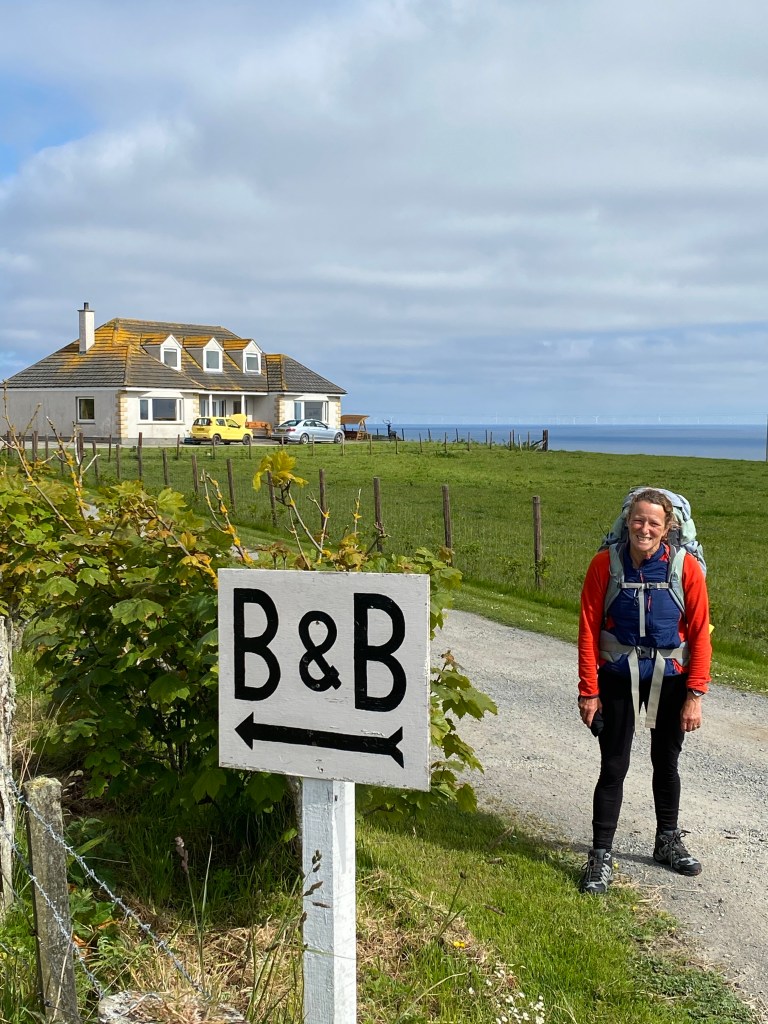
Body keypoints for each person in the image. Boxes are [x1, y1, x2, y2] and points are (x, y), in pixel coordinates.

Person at [577, 488, 712, 894]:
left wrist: (695, 695)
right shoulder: (605, 564)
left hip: (671, 680)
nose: (645, 529)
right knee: (613, 766)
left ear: (668, 528)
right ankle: (600, 855)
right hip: (617, 679)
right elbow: (587, 629)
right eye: (638, 520)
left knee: (666, 762)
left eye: (654, 522)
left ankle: (666, 841)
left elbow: (700, 635)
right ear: (627, 521)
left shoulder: (685, 568)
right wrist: (589, 691)